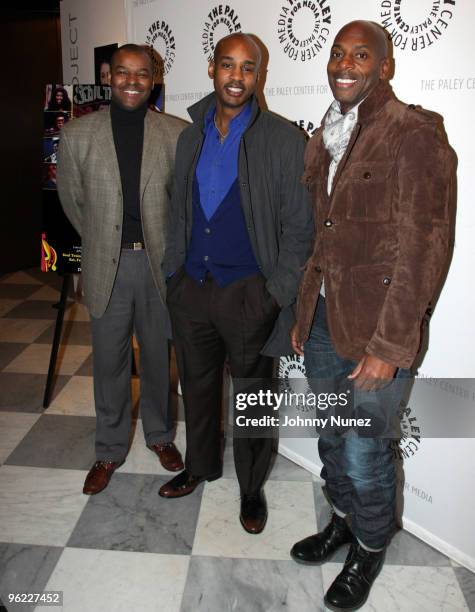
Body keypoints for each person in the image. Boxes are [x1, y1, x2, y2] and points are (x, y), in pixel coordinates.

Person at [290, 20, 456, 611]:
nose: (345, 63)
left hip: (376, 333)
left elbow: (425, 247)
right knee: (333, 440)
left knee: (365, 449)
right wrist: (303, 313)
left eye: (361, 55)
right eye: (337, 53)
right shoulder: (328, 135)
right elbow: (322, 238)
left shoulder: (414, 132)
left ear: (383, 66)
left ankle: (368, 544)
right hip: (323, 325)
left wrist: (389, 346)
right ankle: (341, 520)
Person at [159, 33, 313, 534]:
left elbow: (300, 228)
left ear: (259, 76)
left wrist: (274, 295)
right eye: (229, 65)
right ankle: (200, 465)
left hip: (249, 294)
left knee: (254, 398)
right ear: (211, 69)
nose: (237, 77)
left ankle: (251, 488)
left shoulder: (285, 140)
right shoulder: (190, 135)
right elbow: (178, 210)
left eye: (249, 68)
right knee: (198, 388)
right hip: (192, 290)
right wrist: (173, 275)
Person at [57, 44, 186, 495]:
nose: (132, 81)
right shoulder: (76, 135)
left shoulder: (175, 133)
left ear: (154, 78)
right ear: (108, 76)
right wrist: (104, 239)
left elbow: (182, 206)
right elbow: (73, 202)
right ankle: (110, 449)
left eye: (142, 73)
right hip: (105, 264)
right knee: (109, 363)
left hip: (157, 266)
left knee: (157, 356)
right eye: (123, 72)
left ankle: (160, 436)